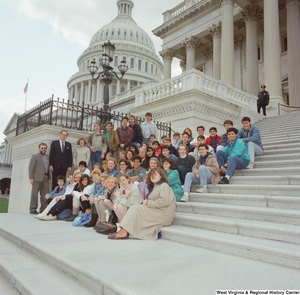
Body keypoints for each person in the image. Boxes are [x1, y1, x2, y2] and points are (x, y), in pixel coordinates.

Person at [108, 167, 176, 240]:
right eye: (151, 175)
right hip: (157, 210)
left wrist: (148, 203)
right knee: (135, 208)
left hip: (164, 213)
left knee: (135, 208)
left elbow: (164, 202)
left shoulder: (164, 185)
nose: (153, 176)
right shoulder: (155, 186)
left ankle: (124, 231)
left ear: (161, 176)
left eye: (155, 174)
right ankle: (124, 230)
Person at [28, 143, 50, 214]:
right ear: (39, 148)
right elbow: (31, 168)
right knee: (34, 194)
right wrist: (31, 178)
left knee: (45, 195)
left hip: (45, 178)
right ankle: (33, 209)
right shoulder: (35, 156)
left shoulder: (47, 157)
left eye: (45, 148)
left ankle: (43, 209)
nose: (43, 149)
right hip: (37, 178)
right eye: (42, 148)